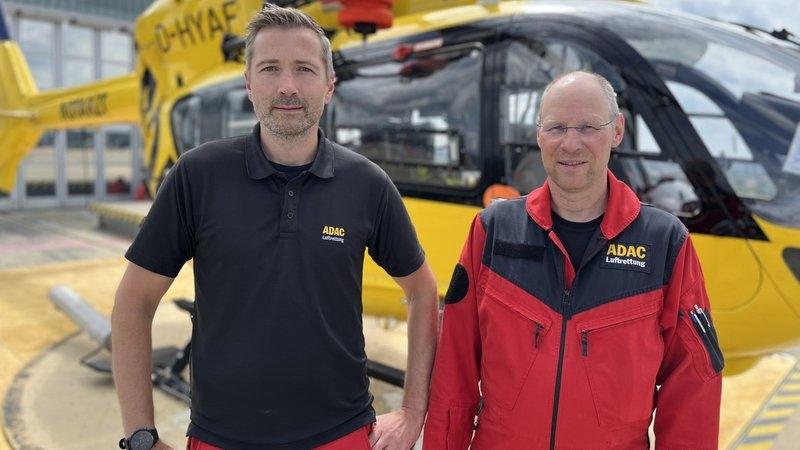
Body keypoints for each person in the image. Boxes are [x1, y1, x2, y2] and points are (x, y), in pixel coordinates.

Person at [111, 5, 438, 450]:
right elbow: (134, 302)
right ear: (249, 83)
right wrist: (141, 436)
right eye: (270, 69)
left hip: (340, 435)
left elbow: (422, 291)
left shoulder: (367, 184)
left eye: (304, 69)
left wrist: (414, 411)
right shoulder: (197, 176)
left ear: (329, 85)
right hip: (220, 437)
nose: (287, 86)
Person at [423, 71, 722, 449]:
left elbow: (694, 385)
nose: (570, 143)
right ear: (538, 135)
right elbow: (454, 370)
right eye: (557, 128)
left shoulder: (665, 243)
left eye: (588, 127)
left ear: (617, 131)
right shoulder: (494, 230)